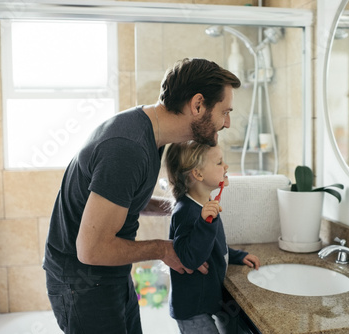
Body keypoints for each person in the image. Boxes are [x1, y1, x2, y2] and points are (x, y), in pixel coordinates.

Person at [43, 58, 241, 334]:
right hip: (82, 282)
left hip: (109, 272)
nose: (227, 123)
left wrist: (180, 208)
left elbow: (122, 199)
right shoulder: (128, 148)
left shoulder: (149, 134)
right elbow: (91, 249)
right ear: (197, 105)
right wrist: (163, 249)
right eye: (225, 111)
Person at [165, 141, 260, 334]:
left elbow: (214, 245)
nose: (225, 167)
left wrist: (236, 256)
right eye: (219, 162)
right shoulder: (185, 211)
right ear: (198, 174)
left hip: (208, 299)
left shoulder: (206, 203)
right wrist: (205, 223)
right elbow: (188, 259)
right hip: (192, 309)